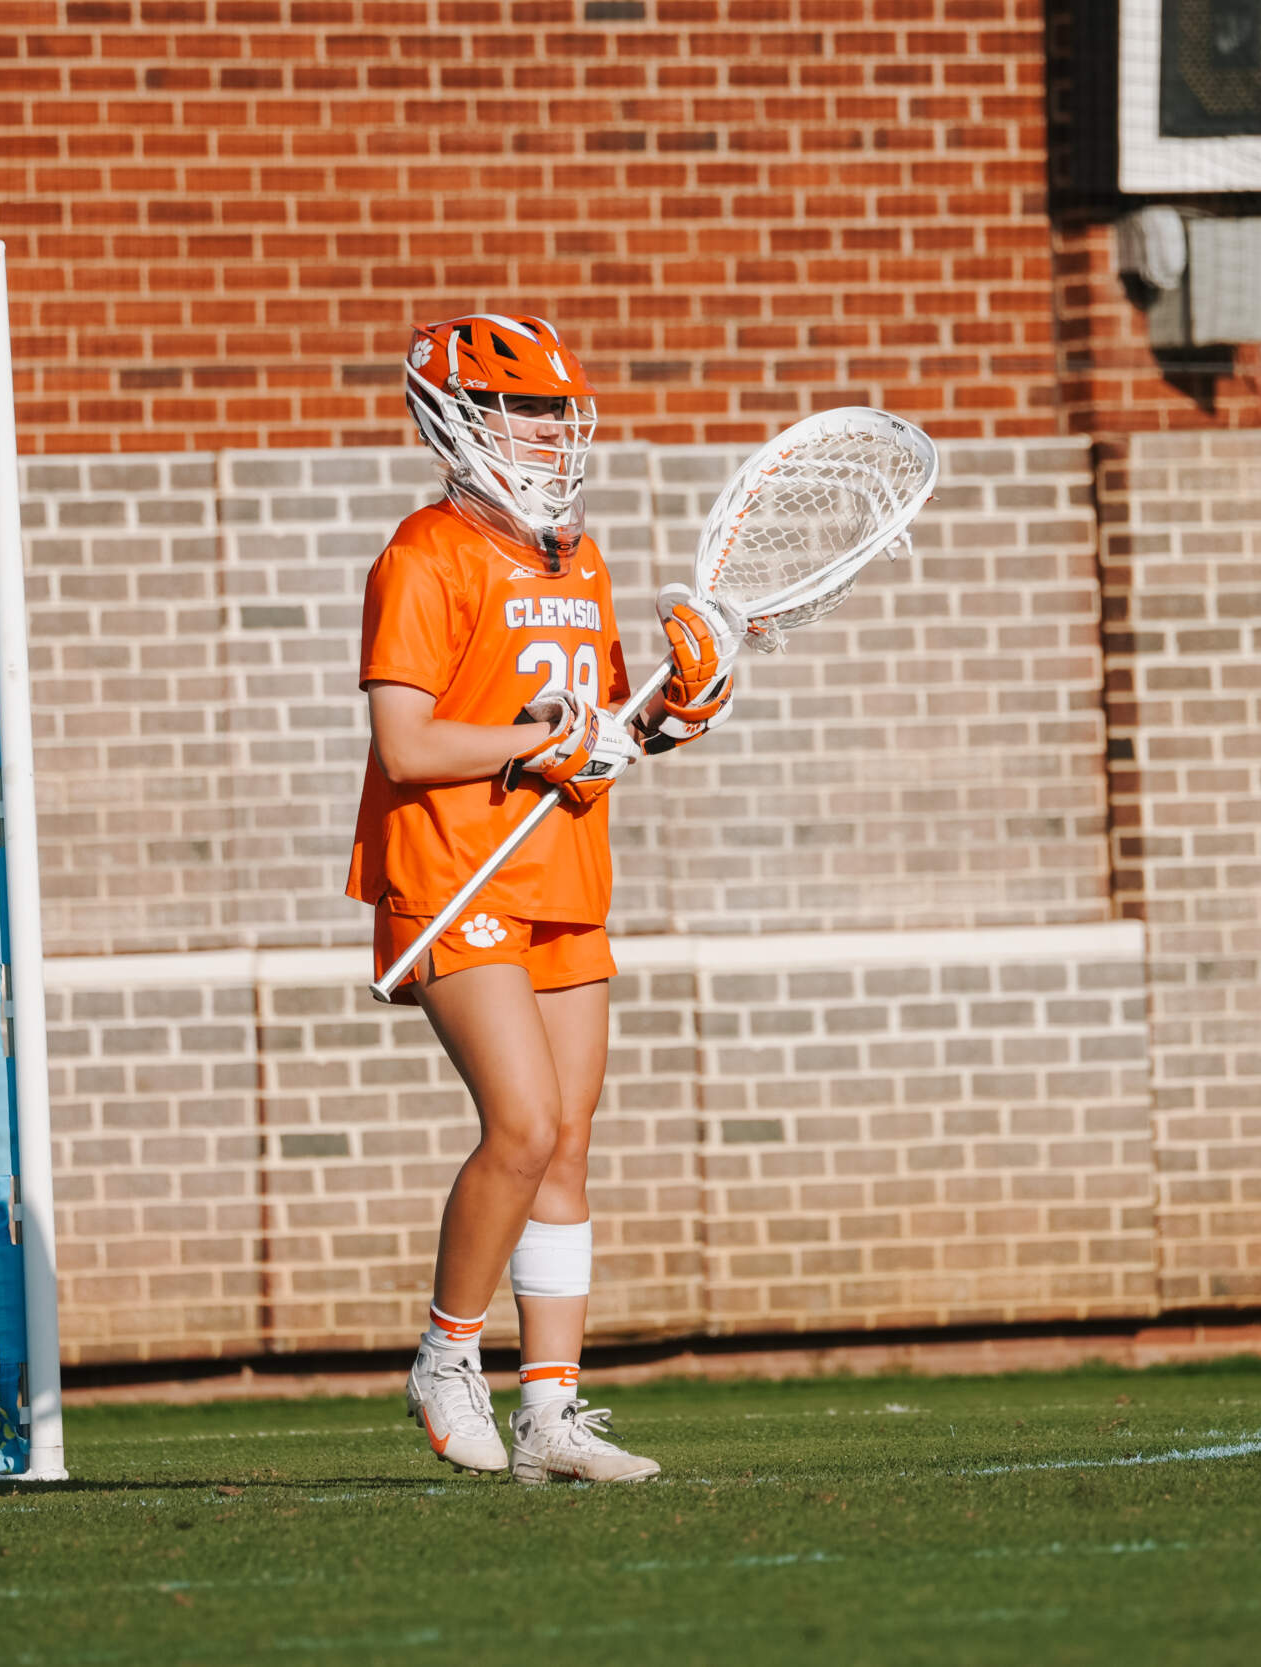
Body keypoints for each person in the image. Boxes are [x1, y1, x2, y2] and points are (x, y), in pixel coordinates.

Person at [346, 313, 742, 1484]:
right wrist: (535, 741)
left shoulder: (581, 558)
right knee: (519, 1124)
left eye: (557, 410)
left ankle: (551, 1413)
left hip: (562, 871)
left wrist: (675, 710)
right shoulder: (423, 553)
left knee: (566, 1143)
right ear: (458, 418)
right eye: (522, 409)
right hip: (452, 870)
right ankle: (445, 1356)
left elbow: (601, 734)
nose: (548, 431)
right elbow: (407, 743)